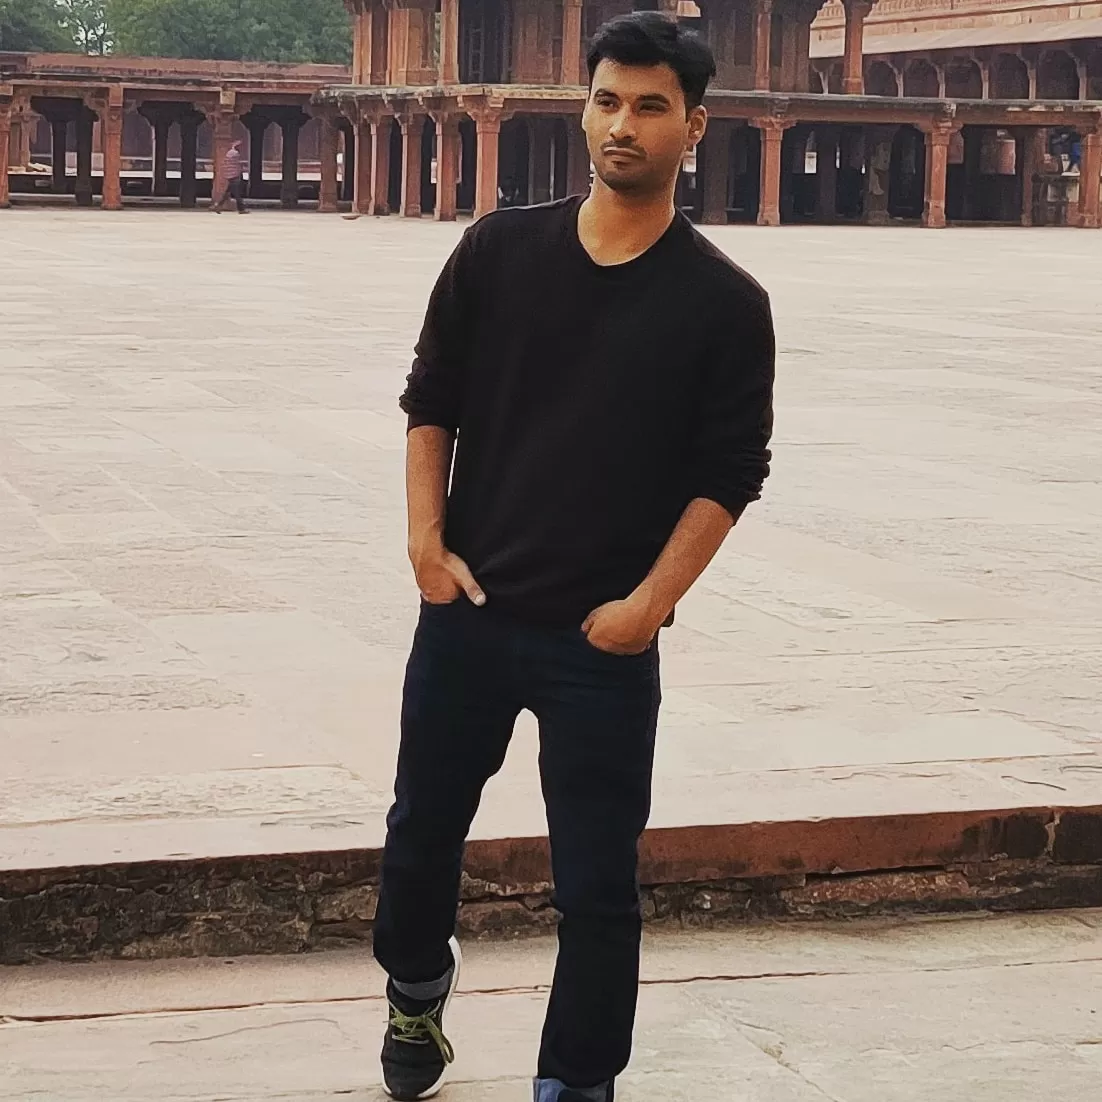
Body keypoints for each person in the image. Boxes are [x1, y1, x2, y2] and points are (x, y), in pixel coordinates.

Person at [374, 12, 775, 1102]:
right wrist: (424, 542)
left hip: (602, 638)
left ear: (695, 126)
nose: (622, 125)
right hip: (468, 613)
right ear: (581, 107)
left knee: (598, 887)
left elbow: (729, 470)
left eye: (651, 107)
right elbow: (430, 402)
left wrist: (648, 603)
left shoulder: (724, 304)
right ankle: (416, 984)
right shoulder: (499, 251)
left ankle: (576, 1082)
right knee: (418, 840)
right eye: (606, 100)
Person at [212, 139, 247, 213]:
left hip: (229, 176)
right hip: (234, 176)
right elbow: (237, 165)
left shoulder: (229, 153)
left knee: (227, 193)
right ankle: (241, 209)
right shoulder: (235, 154)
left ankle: (218, 206)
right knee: (237, 193)